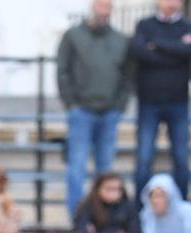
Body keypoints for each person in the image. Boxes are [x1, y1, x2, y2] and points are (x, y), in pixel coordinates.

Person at [57, 0, 132, 219]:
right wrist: (71, 102)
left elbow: (127, 76)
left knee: (105, 169)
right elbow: (63, 70)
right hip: (81, 111)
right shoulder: (73, 36)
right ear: (92, 6)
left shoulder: (120, 40)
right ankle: (77, 217)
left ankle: (103, 218)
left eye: (108, 6)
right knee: (76, 167)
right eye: (100, 5)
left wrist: (119, 106)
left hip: (109, 112)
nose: (103, 10)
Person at [130, 0, 191, 197]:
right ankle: (141, 208)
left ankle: (181, 206)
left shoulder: (189, 26)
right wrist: (176, 48)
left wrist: (156, 44)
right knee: (144, 158)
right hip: (149, 101)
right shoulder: (145, 25)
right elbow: (140, 52)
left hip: (179, 101)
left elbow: (189, 50)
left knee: (182, 159)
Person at [74, 171, 141, 233]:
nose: (113, 192)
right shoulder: (87, 206)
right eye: (109, 189)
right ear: (98, 189)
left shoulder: (128, 207)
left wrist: (96, 231)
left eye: (117, 189)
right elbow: (81, 230)